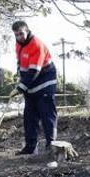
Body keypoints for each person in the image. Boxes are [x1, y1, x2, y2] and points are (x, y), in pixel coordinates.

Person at [10, 21, 58, 155]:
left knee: (47, 115)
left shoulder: (36, 45)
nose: (19, 37)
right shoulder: (18, 44)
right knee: (29, 117)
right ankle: (30, 148)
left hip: (44, 82)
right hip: (30, 84)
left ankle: (51, 146)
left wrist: (20, 88)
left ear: (27, 31)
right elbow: (20, 64)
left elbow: (34, 71)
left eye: (21, 34)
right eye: (16, 35)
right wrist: (19, 80)